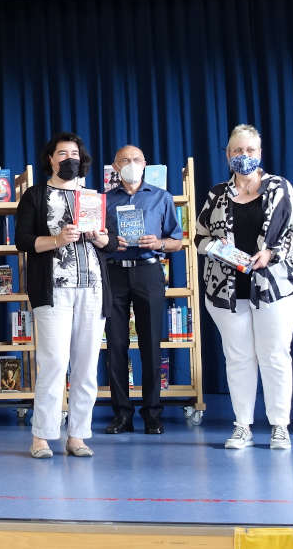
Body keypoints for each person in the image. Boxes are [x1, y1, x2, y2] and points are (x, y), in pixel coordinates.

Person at [195, 124, 293, 450]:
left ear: (259, 154)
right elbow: (199, 237)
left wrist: (272, 253)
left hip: (276, 287)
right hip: (227, 292)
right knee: (238, 357)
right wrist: (219, 250)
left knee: (274, 355)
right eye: (237, 151)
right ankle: (242, 426)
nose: (243, 156)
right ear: (228, 154)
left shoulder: (280, 188)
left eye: (249, 151)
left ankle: (279, 426)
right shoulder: (217, 194)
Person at [15, 132, 115, 459]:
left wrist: (99, 237)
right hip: (54, 288)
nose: (69, 158)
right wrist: (57, 239)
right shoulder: (35, 195)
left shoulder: (93, 196)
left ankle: (78, 436)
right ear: (51, 159)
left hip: (93, 287)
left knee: (86, 366)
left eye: (74, 153)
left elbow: (110, 244)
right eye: (62, 153)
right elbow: (24, 241)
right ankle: (42, 436)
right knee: (54, 362)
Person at [103, 145, 183, 435]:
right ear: (115, 165)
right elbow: (96, 238)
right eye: (125, 160)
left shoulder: (162, 198)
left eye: (136, 159)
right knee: (116, 346)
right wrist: (110, 241)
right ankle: (122, 414)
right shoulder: (104, 201)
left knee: (150, 344)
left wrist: (159, 243)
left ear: (145, 163)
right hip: (114, 274)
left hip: (149, 271)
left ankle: (152, 413)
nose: (131, 164)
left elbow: (177, 240)